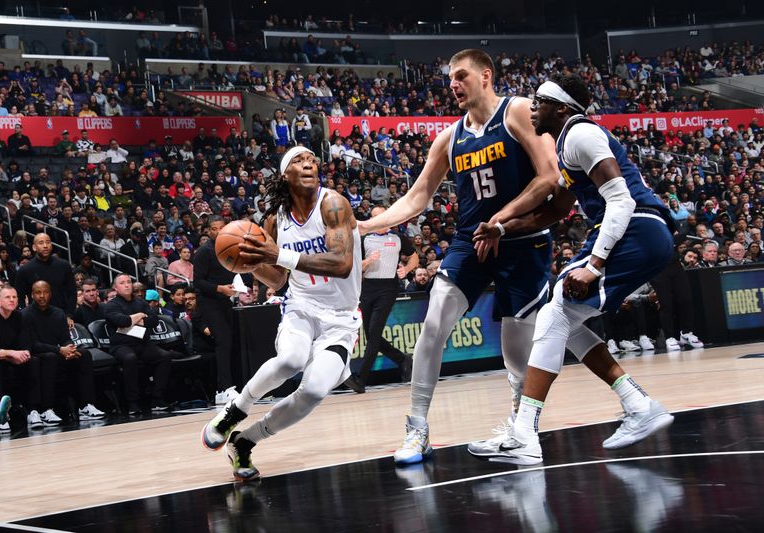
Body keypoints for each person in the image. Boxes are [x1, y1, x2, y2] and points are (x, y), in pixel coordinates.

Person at [358, 49, 559, 465]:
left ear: (486, 75)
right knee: (432, 324)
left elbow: (549, 175)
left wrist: (502, 220)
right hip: (472, 240)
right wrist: (364, 226)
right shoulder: (449, 138)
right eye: (450, 78)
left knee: (515, 351)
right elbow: (416, 197)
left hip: (521, 238)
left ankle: (521, 431)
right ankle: (417, 429)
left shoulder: (518, 111)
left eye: (461, 76)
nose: (453, 84)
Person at [476, 73, 675, 465]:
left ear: (561, 108)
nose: (532, 107)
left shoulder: (581, 134)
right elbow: (554, 212)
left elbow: (621, 202)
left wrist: (595, 265)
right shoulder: (567, 145)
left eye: (539, 101)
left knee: (556, 312)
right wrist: (502, 226)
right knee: (562, 315)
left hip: (634, 228)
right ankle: (636, 404)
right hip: (635, 232)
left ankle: (525, 432)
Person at [200, 146, 362, 482]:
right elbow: (278, 278)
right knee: (290, 360)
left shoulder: (333, 205)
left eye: (313, 161)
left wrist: (280, 254)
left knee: (315, 391)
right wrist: (250, 263)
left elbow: (343, 265)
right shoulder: (275, 220)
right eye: (300, 161)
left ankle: (245, 440)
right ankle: (233, 412)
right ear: (284, 174)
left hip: (341, 317)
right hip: (302, 306)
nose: (310, 164)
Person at [345, 206, 417, 393]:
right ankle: (403, 359)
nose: (381, 220)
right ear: (372, 219)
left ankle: (361, 378)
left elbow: (414, 257)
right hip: (367, 288)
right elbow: (352, 266)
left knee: (374, 334)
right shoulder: (363, 239)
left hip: (388, 288)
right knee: (370, 335)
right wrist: (368, 262)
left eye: (384, 216)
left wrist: (407, 269)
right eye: (377, 217)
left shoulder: (398, 238)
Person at [22, 281, 105, 421]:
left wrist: (71, 348)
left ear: (50, 294)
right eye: (38, 292)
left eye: (45, 292)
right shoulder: (25, 315)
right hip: (38, 354)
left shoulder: (58, 313)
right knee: (50, 357)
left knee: (84, 354)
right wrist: (60, 349)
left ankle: (86, 406)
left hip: (57, 352)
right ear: (32, 295)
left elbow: (65, 338)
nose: (42, 296)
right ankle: (46, 410)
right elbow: (31, 344)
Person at [0, 286, 50, 429]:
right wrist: (11, 353)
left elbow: (26, 344)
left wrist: (24, 353)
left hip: (13, 357)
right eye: (7, 297)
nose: (12, 300)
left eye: (14, 297)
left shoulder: (21, 316)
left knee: (33, 361)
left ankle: (33, 411)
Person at [103, 274, 173, 415]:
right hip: (121, 345)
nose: (127, 285)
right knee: (130, 358)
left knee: (165, 356)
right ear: (116, 288)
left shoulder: (140, 302)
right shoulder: (111, 305)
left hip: (142, 343)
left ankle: (157, 399)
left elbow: (154, 320)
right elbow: (122, 321)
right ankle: (133, 403)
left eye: (129, 282)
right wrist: (139, 316)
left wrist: (134, 319)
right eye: (122, 283)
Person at [192, 215, 238, 405]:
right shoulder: (204, 251)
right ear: (208, 231)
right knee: (223, 341)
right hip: (209, 301)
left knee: (229, 342)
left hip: (225, 299)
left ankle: (225, 387)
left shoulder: (229, 247)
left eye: (222, 227)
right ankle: (223, 389)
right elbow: (198, 282)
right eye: (214, 228)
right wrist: (220, 288)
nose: (218, 231)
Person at [14, 233, 77, 324]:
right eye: (41, 243)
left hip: (61, 316)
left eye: (48, 242)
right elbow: (19, 296)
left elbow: (72, 292)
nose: (45, 246)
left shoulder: (64, 265)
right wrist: (25, 315)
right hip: (35, 319)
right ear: (34, 247)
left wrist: (69, 315)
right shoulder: (25, 269)